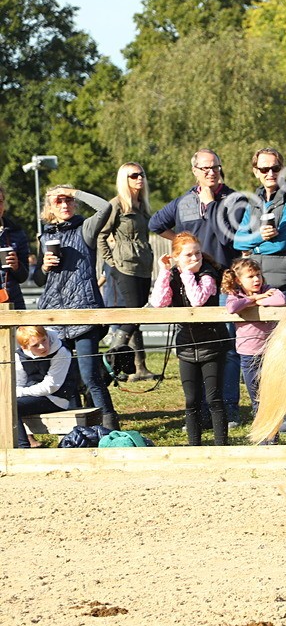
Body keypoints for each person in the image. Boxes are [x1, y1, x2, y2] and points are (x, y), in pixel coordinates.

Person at [149, 148, 244, 422]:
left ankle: (228, 409)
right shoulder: (183, 202)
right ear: (195, 171)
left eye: (215, 167)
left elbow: (230, 240)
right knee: (195, 348)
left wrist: (212, 203)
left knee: (226, 347)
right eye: (205, 168)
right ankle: (202, 411)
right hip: (191, 286)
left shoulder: (233, 199)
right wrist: (182, 241)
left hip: (224, 282)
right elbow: (156, 223)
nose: (211, 172)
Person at [33, 184, 120, 430]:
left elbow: (106, 207)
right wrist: (44, 268)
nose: (64, 205)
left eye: (68, 200)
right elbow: (39, 281)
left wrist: (75, 192)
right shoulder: (44, 236)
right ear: (50, 207)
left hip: (84, 313)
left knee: (91, 375)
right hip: (54, 317)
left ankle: (110, 428)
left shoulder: (86, 228)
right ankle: (75, 430)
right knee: (64, 379)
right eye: (58, 202)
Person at [148, 232, 231, 446]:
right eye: (188, 255)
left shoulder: (207, 274)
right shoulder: (174, 274)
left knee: (214, 398)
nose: (195, 258)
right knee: (191, 400)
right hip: (186, 344)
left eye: (197, 253)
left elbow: (197, 300)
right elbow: (158, 302)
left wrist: (185, 273)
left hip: (212, 343)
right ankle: (194, 445)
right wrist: (164, 272)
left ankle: (221, 445)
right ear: (176, 257)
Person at [98, 162, 157, 381]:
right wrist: (111, 262)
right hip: (125, 267)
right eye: (134, 175)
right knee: (134, 314)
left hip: (144, 266)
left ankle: (118, 364)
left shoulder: (142, 205)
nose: (139, 178)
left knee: (138, 315)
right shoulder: (116, 205)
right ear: (125, 179)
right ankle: (108, 363)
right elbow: (101, 235)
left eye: (141, 174)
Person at [223, 258, 286, 444]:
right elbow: (232, 307)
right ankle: (262, 438)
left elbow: (280, 299)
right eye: (250, 277)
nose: (256, 279)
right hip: (248, 356)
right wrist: (253, 299)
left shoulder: (269, 291)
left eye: (258, 275)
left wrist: (256, 300)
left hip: (270, 354)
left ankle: (272, 438)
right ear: (238, 280)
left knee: (271, 398)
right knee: (257, 399)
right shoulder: (235, 295)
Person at [233, 147, 286, 296]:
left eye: (275, 168)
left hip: (284, 286)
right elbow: (238, 242)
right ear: (256, 172)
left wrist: (253, 248)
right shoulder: (253, 202)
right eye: (264, 169)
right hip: (255, 286)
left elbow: (281, 244)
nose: (270, 174)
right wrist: (260, 236)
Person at [13, 326, 77, 449]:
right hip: (31, 395)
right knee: (6, 405)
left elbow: (51, 386)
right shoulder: (19, 355)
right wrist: (18, 392)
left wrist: (20, 392)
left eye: (44, 340)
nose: (42, 347)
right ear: (25, 347)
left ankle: (23, 449)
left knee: (12, 407)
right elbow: (19, 381)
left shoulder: (61, 351)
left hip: (56, 399)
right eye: (35, 345)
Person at [0, 184, 32, 308]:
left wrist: (17, 266)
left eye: (0, 201)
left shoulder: (16, 232)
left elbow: (23, 276)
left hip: (11, 301)